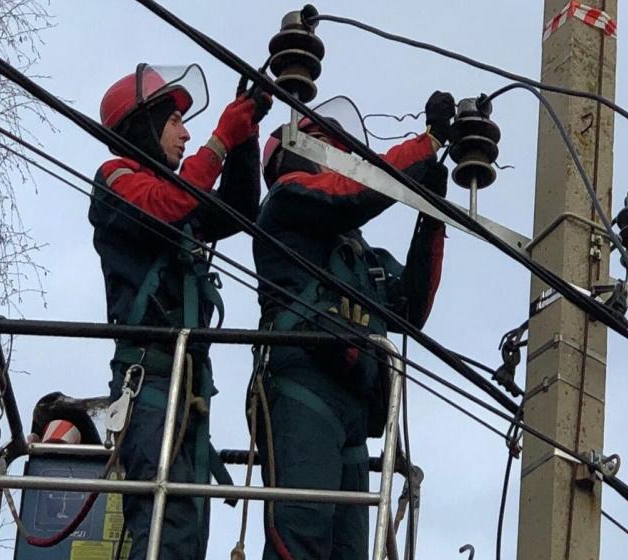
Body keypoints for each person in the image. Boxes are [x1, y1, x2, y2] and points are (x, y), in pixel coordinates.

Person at [252, 92, 455, 560]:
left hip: (352, 413)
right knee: (298, 537)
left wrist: (431, 214)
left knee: (349, 551)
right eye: (337, 151)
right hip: (302, 390)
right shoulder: (287, 203)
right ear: (304, 151)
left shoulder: (362, 258)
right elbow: (350, 195)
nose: (349, 163)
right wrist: (425, 146)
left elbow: (410, 308)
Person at [89, 63, 270, 560]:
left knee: (187, 527)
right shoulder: (118, 180)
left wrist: (246, 131)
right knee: (160, 521)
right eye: (174, 122)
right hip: (147, 382)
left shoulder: (176, 196)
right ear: (143, 126)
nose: (186, 134)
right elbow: (165, 206)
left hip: (186, 387)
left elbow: (237, 206)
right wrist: (221, 137)